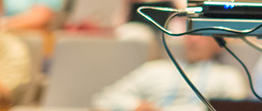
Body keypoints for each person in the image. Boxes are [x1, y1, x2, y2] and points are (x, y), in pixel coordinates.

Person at [91, 34, 247, 111]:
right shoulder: (155, 70)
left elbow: (238, 108)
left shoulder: (227, 76)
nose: (193, 40)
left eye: (201, 35)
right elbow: (104, 98)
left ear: (219, 42)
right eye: (190, 33)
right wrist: (135, 106)